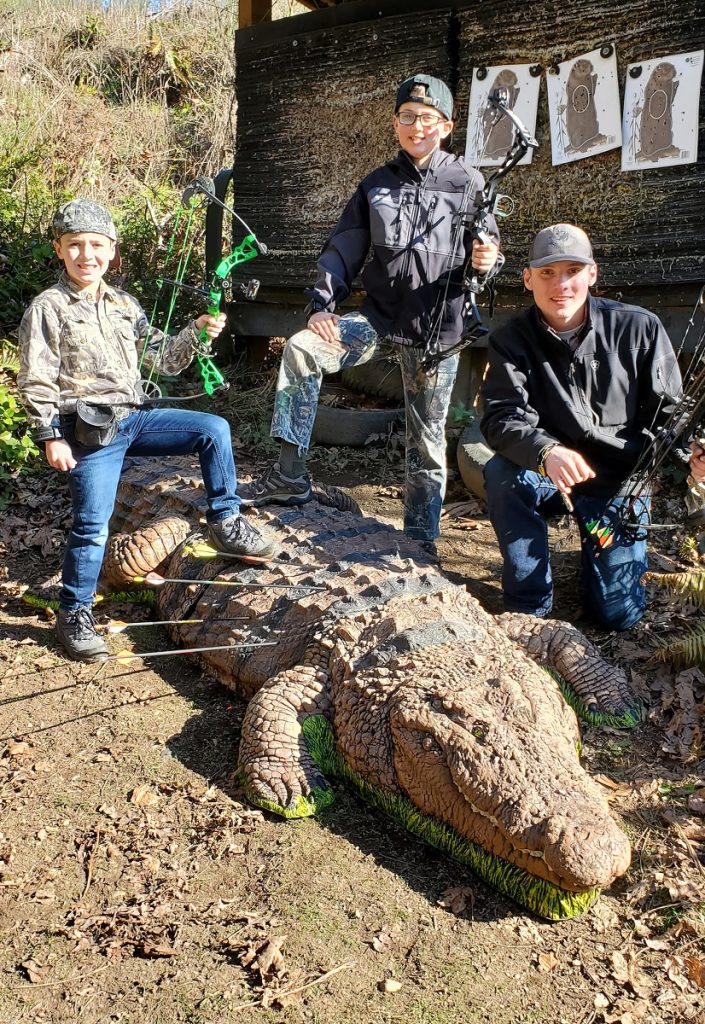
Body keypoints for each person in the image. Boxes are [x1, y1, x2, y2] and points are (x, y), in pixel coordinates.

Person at [238, 73, 502, 549]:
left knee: (425, 445)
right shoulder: (376, 185)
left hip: (436, 335)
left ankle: (421, 543)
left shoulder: (469, 182)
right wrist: (323, 303)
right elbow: (344, 247)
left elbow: (488, 249)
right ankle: (290, 477)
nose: (415, 126)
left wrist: (488, 259)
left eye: (426, 118)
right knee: (303, 349)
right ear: (395, 122)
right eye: (407, 116)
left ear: (446, 125)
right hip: (379, 321)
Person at [18, 198, 277, 663]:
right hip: (88, 432)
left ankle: (225, 520)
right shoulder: (48, 307)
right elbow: (36, 378)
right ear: (59, 250)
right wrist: (49, 434)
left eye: (96, 245)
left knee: (212, 428)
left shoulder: (124, 304)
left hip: (134, 418)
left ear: (112, 251)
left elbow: (162, 357)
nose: (86, 255)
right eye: (75, 245)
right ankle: (74, 613)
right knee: (92, 526)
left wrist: (196, 332)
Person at [480, 223, 684, 631]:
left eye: (573, 270)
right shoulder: (510, 340)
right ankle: (528, 604)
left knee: (617, 616)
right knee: (503, 473)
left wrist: (690, 452)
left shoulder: (640, 327)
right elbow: (500, 417)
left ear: (592, 274)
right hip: (549, 474)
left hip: (617, 481)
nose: (562, 285)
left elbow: (670, 412)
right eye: (548, 273)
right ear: (527, 279)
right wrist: (544, 452)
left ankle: (598, 551)